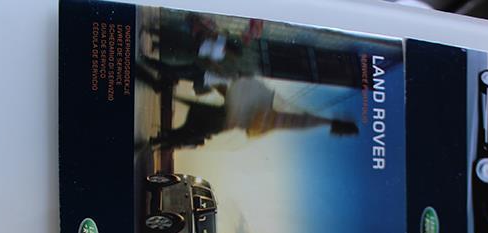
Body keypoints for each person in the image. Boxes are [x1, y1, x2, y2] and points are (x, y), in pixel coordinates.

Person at [150, 77, 358, 150]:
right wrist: (330, 123)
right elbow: (299, 121)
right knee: (189, 131)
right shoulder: (279, 117)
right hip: (224, 119)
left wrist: (330, 122)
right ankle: (164, 138)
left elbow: (299, 121)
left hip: (224, 117)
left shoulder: (277, 114)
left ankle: (164, 138)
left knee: (190, 130)